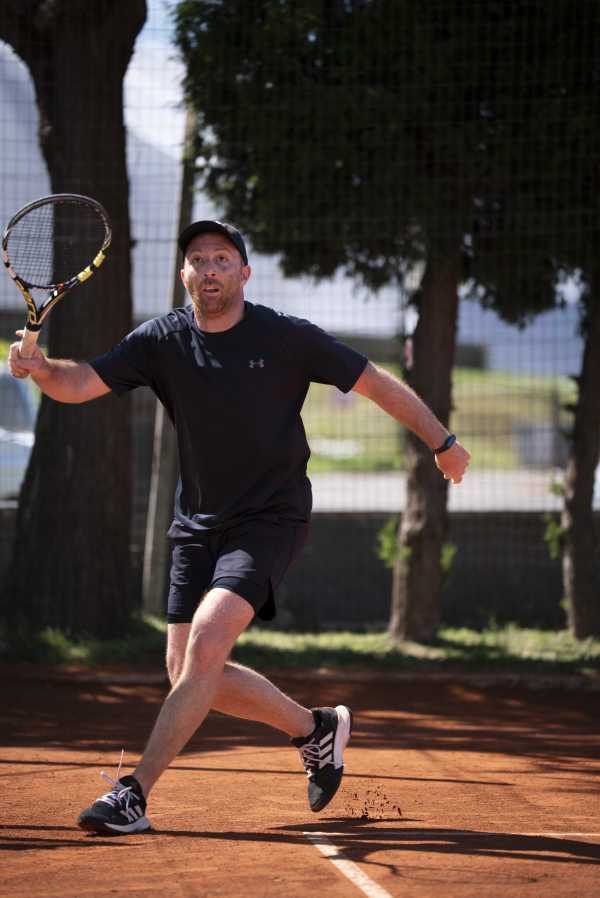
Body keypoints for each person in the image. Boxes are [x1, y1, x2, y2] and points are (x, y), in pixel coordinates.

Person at [8, 220, 470, 835]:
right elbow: (80, 382)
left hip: (270, 517)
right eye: (198, 259)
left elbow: (376, 383)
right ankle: (315, 729)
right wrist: (41, 368)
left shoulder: (285, 337)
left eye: (222, 259)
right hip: (195, 525)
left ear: (244, 273)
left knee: (205, 645)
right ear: (184, 275)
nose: (210, 269)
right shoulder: (161, 340)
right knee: (188, 670)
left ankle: (134, 793)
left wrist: (442, 442)